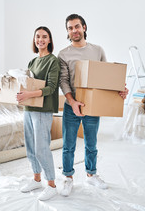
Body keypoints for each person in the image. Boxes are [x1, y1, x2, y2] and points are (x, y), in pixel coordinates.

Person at [58, 14, 128, 196]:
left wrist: (120, 90)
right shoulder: (63, 54)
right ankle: (68, 177)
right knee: (69, 144)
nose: (74, 30)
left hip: (92, 106)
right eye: (70, 28)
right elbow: (63, 81)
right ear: (67, 31)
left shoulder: (97, 50)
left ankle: (91, 174)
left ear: (84, 27)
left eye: (77, 26)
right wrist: (72, 102)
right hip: (71, 106)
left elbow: (106, 76)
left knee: (91, 143)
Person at [0, 26, 60, 201]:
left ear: (49, 40)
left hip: (43, 111)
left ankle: (52, 185)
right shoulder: (32, 62)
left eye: (44, 37)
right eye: (37, 36)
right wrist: (2, 88)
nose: (40, 40)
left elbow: (51, 88)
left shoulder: (53, 61)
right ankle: (37, 178)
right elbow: (23, 84)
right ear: (34, 40)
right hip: (29, 109)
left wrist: (28, 95)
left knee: (41, 148)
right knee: (31, 146)